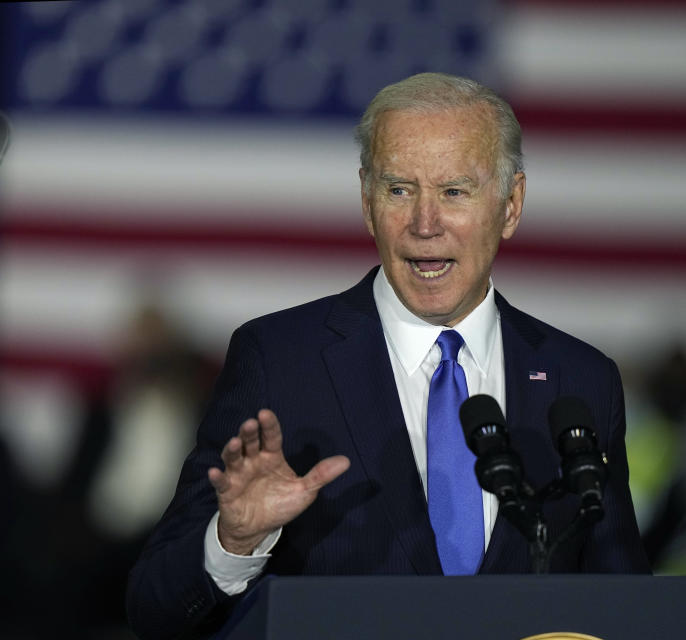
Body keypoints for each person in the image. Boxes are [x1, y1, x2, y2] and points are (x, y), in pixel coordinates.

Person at [126, 72, 649, 640]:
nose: (425, 225)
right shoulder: (280, 362)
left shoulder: (580, 381)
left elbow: (623, 604)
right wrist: (234, 543)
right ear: (367, 201)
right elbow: (152, 606)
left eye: (454, 191)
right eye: (400, 189)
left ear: (510, 205)